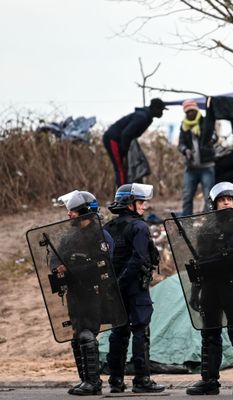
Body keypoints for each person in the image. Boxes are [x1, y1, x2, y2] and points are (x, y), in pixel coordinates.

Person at [186, 182, 233, 396]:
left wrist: (212, 262)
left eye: (230, 198)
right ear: (214, 203)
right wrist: (195, 291)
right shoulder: (206, 228)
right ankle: (209, 380)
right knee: (209, 334)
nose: (226, 201)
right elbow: (199, 261)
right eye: (221, 199)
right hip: (210, 287)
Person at [53, 190, 115, 396]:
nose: (69, 214)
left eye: (73, 211)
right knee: (78, 335)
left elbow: (103, 265)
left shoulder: (100, 236)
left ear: (84, 211)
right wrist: (58, 269)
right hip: (74, 294)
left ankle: (94, 383)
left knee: (87, 333)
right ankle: (85, 380)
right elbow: (56, 259)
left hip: (93, 293)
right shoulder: (70, 238)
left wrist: (71, 270)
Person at [104, 183, 164, 394]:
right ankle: (142, 380)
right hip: (135, 287)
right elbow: (139, 259)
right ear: (129, 204)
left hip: (115, 288)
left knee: (118, 332)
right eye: (140, 202)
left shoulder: (108, 227)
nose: (144, 206)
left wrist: (115, 285)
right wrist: (123, 282)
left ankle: (116, 381)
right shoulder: (139, 227)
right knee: (140, 331)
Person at [103, 98, 167, 188]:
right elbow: (126, 134)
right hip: (113, 139)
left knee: (124, 169)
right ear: (155, 108)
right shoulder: (142, 117)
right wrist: (124, 152)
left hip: (120, 141)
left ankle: (125, 194)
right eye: (161, 110)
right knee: (121, 168)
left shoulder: (147, 117)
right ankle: (123, 196)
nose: (162, 113)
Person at [178, 99, 216, 215]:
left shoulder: (205, 122)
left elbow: (214, 136)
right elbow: (180, 144)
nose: (190, 113)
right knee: (187, 196)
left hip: (207, 166)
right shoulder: (184, 126)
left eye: (192, 111)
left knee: (209, 196)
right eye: (188, 112)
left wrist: (211, 141)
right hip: (191, 167)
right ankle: (186, 222)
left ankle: (210, 221)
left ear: (196, 110)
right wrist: (185, 150)